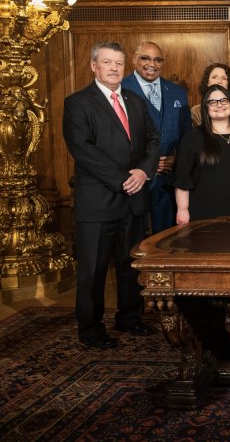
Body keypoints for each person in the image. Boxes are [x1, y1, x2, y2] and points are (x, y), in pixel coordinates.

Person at [62, 41, 160, 349]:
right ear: (94, 66)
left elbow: (153, 140)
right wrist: (123, 180)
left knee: (131, 265)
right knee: (94, 269)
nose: (114, 68)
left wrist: (143, 171)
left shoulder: (135, 100)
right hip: (99, 201)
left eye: (118, 63)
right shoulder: (77, 102)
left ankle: (129, 317)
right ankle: (91, 328)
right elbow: (82, 149)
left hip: (134, 198)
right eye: (107, 62)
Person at [121, 41, 190, 234]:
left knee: (166, 238)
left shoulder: (177, 92)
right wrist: (148, 164)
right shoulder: (120, 89)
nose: (152, 64)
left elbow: (187, 134)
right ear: (134, 59)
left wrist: (177, 159)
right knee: (132, 237)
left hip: (168, 179)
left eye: (157, 60)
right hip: (133, 178)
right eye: (145, 58)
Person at [173, 85, 230, 224]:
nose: (219, 105)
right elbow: (182, 178)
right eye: (213, 102)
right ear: (205, 107)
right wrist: (182, 210)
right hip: (203, 215)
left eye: (224, 100)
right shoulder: (193, 137)